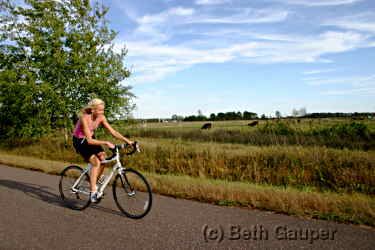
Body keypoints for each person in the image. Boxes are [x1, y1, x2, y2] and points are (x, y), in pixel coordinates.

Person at [72, 98, 134, 202]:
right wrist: (106, 142)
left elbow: (113, 132)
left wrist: (128, 141)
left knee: (103, 158)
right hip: (80, 141)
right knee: (96, 163)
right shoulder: (84, 118)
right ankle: (93, 193)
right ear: (92, 110)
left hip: (90, 138)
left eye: (103, 110)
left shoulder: (101, 117)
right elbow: (89, 141)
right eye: (100, 110)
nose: (102, 112)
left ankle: (95, 179)